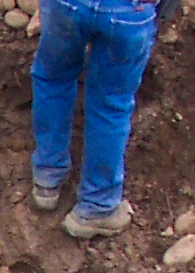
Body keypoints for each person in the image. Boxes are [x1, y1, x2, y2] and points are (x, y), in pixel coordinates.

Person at [29, 0, 163, 240]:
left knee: (52, 78)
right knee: (110, 106)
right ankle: (97, 205)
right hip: (128, 12)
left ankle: (47, 176)